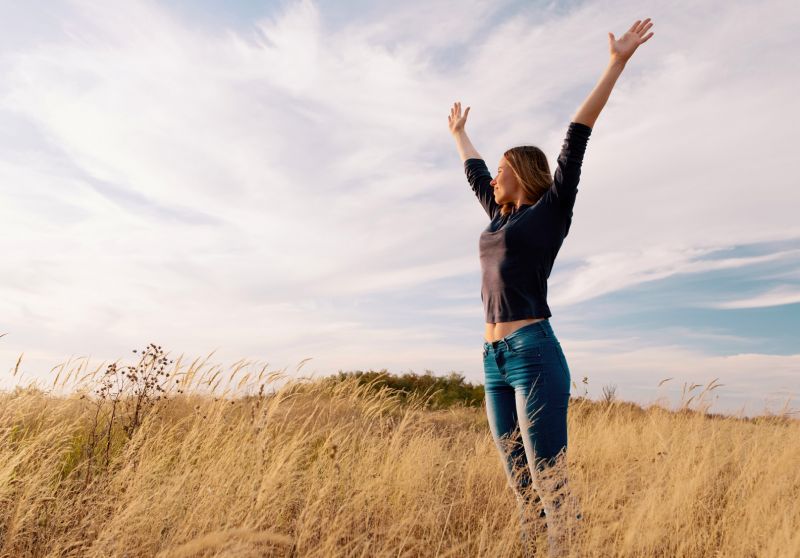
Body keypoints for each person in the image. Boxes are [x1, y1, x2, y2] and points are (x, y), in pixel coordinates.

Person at [448, 17, 655, 557]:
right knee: (520, 486)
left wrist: (616, 64)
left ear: (521, 171)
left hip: (533, 354)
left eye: (500, 169)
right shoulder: (498, 217)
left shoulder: (550, 211)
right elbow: (473, 174)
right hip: (493, 357)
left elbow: (576, 136)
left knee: (549, 481)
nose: (492, 177)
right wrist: (459, 135)